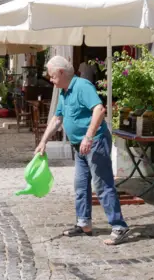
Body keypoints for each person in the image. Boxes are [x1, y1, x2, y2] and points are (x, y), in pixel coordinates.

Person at [35, 55, 130, 246]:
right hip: (80, 147)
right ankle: (84, 223)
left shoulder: (82, 86)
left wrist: (88, 136)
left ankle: (119, 226)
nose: (51, 81)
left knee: (102, 184)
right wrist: (43, 141)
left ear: (61, 73)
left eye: (52, 76)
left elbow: (99, 110)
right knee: (80, 185)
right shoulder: (64, 92)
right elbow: (57, 119)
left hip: (95, 142)